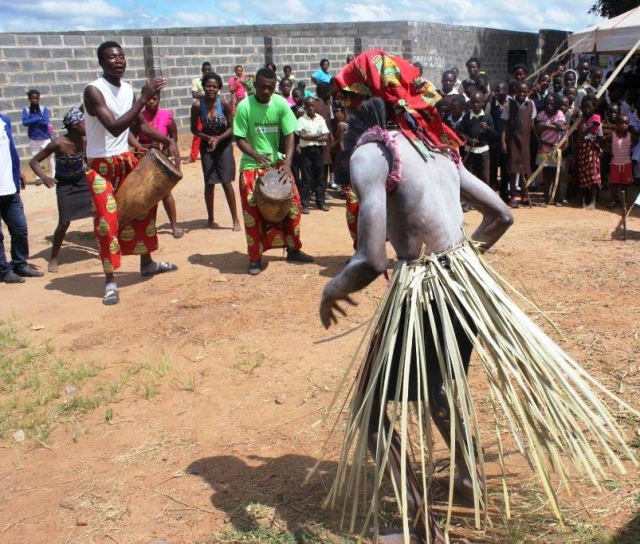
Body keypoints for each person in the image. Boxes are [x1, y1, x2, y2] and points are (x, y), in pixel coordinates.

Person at [320, 51, 640, 544]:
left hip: (423, 292)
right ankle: (466, 479)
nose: (342, 111)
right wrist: (458, 259)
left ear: (363, 100)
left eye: (346, 100)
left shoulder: (374, 152)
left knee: (368, 403)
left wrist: (332, 287)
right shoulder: (438, 151)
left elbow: (372, 260)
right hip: (466, 288)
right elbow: (502, 217)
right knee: (440, 383)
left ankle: (415, 521)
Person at [83, 41, 179, 305]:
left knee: (144, 209)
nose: (119, 61)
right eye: (112, 57)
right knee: (106, 221)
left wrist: (168, 140)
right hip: (101, 166)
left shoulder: (126, 89)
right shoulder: (94, 91)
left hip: (124, 160)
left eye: (122, 57)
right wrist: (143, 99)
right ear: (102, 63)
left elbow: (142, 126)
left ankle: (147, 263)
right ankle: (110, 280)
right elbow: (115, 127)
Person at [232, 67, 314, 275]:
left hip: (277, 165)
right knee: (252, 213)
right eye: (262, 87)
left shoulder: (280, 104)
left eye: (270, 87)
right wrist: (255, 155)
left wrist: (287, 162)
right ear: (256, 85)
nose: (266, 91)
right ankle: (255, 258)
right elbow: (239, 138)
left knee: (293, 206)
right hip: (251, 166)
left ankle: (294, 249)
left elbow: (290, 133)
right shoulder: (244, 106)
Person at [28, 107, 93, 273]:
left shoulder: (84, 140)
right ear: (74, 125)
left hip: (81, 181)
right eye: (82, 122)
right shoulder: (57, 144)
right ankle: (54, 257)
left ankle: (103, 247)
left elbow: (87, 158)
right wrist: (44, 177)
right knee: (64, 222)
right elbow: (34, 162)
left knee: (98, 212)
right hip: (65, 185)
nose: (86, 124)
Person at [190, 72, 241, 232]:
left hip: (223, 144)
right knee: (209, 183)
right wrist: (207, 138)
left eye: (214, 86)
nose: (211, 89)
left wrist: (217, 139)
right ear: (203, 87)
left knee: (226, 182)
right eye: (208, 86)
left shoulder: (224, 104)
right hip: (207, 146)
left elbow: (232, 128)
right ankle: (210, 219)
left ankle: (235, 220)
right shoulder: (198, 106)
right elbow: (194, 129)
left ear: (219, 88)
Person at [0, 110, 43, 283]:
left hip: (9, 186)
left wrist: (17, 172)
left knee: (20, 228)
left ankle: (19, 263)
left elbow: (10, 150)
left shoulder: (4, 120)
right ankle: (3, 270)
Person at [135, 87, 184, 238]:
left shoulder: (167, 116)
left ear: (159, 99)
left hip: (163, 160)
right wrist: (147, 146)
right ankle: (151, 226)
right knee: (148, 195)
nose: (151, 102)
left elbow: (173, 136)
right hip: (145, 160)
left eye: (154, 98)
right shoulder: (138, 117)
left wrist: (169, 146)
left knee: (165, 192)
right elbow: (132, 142)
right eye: (148, 98)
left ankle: (174, 226)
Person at [501, 81, 537, 208]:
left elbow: (532, 123)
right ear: (515, 91)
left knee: (525, 170)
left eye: (524, 92)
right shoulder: (509, 104)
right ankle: (512, 196)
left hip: (526, 141)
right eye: (519, 91)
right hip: (513, 141)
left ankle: (524, 195)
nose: (522, 94)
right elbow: (504, 124)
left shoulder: (531, 104)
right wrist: (503, 141)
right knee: (513, 170)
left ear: (527, 92)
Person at [296, 97, 331, 213]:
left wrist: (309, 136)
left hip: (318, 151)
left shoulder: (320, 119)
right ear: (304, 107)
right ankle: (305, 204)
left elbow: (326, 136)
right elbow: (302, 136)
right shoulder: (301, 120)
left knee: (320, 176)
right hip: (306, 152)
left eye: (312, 106)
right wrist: (317, 135)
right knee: (306, 178)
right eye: (308, 106)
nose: (310, 108)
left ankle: (320, 202)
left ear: (315, 107)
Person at [535, 93, 566, 205]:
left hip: (555, 148)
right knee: (546, 174)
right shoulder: (542, 114)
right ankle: (547, 198)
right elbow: (538, 127)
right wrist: (553, 125)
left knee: (555, 174)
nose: (549, 105)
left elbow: (562, 126)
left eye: (552, 103)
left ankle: (556, 198)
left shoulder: (560, 114)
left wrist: (546, 125)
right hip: (544, 148)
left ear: (556, 103)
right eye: (547, 103)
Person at [460, 91, 495, 185]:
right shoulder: (466, 117)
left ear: (482, 103)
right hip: (469, 151)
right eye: (473, 102)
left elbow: (493, 135)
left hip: (483, 152)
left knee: (484, 178)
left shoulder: (487, 117)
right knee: (469, 178)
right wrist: (469, 140)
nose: (475, 104)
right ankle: (469, 199)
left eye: (478, 102)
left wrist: (487, 128)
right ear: (470, 103)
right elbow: (461, 133)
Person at [604, 114, 637, 208]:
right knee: (614, 184)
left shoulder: (630, 136)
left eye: (626, 123)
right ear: (617, 124)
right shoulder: (613, 136)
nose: (623, 125)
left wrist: (631, 147)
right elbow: (602, 141)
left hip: (626, 164)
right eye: (621, 123)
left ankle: (624, 202)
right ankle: (612, 201)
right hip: (615, 163)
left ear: (628, 124)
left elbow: (637, 140)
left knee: (625, 185)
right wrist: (610, 151)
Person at [22, 89, 55, 181]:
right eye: (32, 98)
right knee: (35, 158)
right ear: (29, 99)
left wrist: (32, 121)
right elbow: (25, 122)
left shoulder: (44, 109)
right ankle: (38, 177)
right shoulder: (26, 110)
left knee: (50, 157)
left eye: (36, 98)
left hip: (45, 137)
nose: (34, 100)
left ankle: (53, 175)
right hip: (34, 138)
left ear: (39, 98)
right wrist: (37, 118)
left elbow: (45, 122)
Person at [576, 95, 602, 209]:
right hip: (582, 148)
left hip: (591, 147)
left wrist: (582, 129)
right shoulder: (580, 119)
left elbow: (585, 130)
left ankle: (593, 201)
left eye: (589, 107)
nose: (586, 109)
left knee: (593, 173)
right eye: (584, 107)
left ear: (594, 107)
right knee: (582, 173)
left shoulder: (596, 117)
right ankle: (581, 199)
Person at [186, 61, 212, 163]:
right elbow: (194, 95)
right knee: (198, 133)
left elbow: (216, 96)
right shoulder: (197, 81)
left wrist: (203, 95)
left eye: (208, 70)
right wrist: (208, 95)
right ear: (202, 70)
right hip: (200, 110)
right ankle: (193, 156)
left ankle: (212, 153)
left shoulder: (214, 80)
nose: (206, 71)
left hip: (212, 110)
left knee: (213, 131)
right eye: (205, 70)